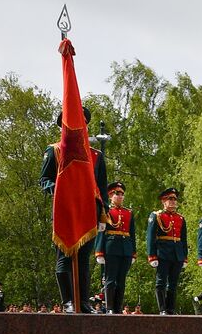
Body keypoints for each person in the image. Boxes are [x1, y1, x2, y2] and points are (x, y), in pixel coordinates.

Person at [40, 107, 108, 313]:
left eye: (83, 123)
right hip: (65, 211)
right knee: (64, 257)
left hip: (88, 211)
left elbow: (102, 187)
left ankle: (83, 302)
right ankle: (68, 301)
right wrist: (59, 191)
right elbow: (45, 180)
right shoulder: (55, 150)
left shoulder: (96, 155)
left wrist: (103, 215)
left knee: (83, 260)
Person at [95, 181, 136, 316]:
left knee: (121, 281)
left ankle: (118, 308)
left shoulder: (128, 213)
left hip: (126, 249)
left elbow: (132, 233)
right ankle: (110, 308)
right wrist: (99, 251)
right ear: (110, 195)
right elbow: (101, 231)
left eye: (122, 194)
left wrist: (133, 253)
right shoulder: (106, 211)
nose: (120, 196)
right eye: (117, 194)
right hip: (111, 248)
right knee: (110, 279)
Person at [145, 188, 187, 315]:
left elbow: (183, 239)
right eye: (170, 199)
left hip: (177, 253)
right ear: (163, 201)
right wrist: (152, 256)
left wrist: (184, 256)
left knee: (173, 283)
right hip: (162, 253)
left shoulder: (180, 218)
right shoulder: (157, 216)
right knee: (161, 281)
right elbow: (150, 237)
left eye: (175, 199)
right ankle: (162, 308)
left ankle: (171, 308)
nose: (173, 202)